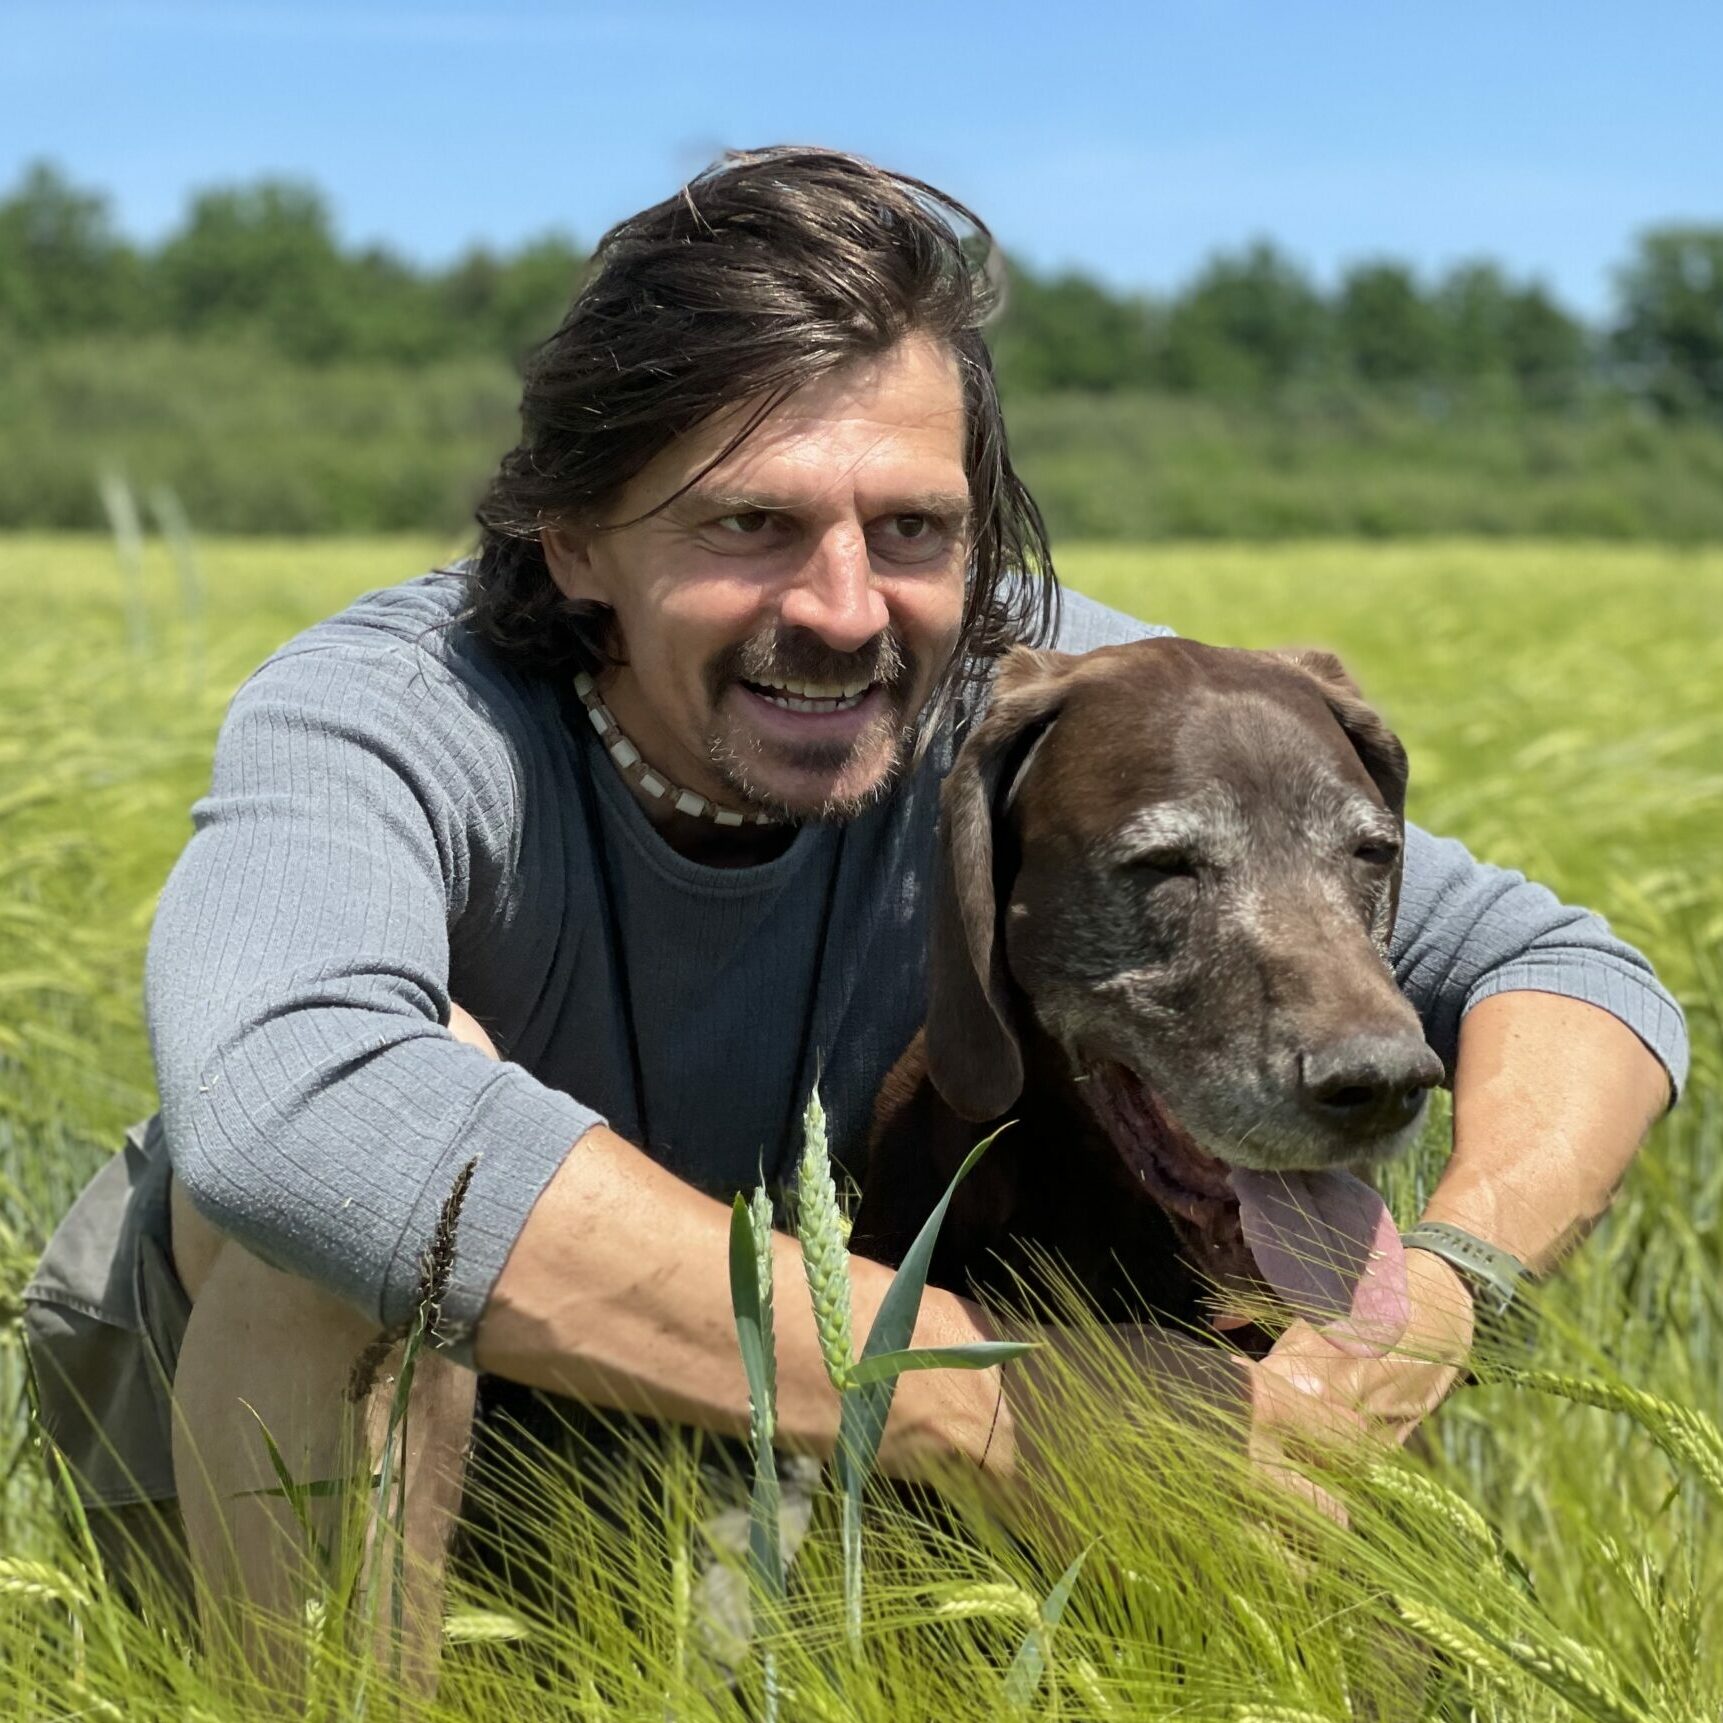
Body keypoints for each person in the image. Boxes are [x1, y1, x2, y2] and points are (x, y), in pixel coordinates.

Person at [24, 148, 1685, 1671]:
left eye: (913, 528)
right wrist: (989, 1403)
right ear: (572, 539)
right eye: (749, 524)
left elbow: (1563, 970)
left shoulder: (1032, 701)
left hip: (723, 1412)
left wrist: (1446, 1285)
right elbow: (292, 1108)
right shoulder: (393, 714)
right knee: (379, 1153)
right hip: (263, 1438)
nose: (841, 607)